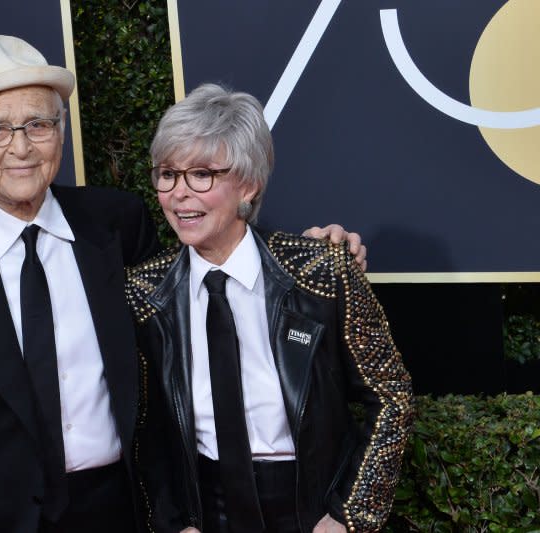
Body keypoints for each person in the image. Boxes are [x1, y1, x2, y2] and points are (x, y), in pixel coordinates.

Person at [0, 35, 367, 533]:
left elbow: (208, 273)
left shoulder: (116, 224)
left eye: (38, 125)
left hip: (116, 512)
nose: (20, 147)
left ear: (60, 133)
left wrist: (311, 260)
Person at [126, 84, 414, 533]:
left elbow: (392, 397)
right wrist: (171, 522)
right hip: (206, 512)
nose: (179, 193)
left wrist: (348, 515)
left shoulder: (322, 271)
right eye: (167, 174)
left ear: (249, 183)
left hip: (311, 508)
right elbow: (143, 428)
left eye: (201, 174)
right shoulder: (144, 292)